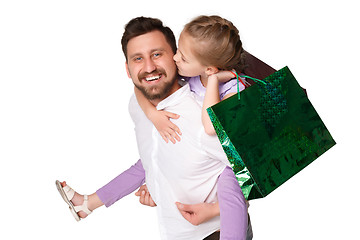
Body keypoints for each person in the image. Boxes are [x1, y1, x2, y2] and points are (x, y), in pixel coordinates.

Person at [56, 16, 252, 239]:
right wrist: (158, 182)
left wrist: (215, 209)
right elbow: (154, 157)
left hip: (214, 231)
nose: (149, 67)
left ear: (175, 59)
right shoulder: (138, 105)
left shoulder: (203, 117)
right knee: (144, 163)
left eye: (157, 54)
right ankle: (88, 203)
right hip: (175, 232)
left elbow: (248, 170)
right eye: (138, 58)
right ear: (128, 69)